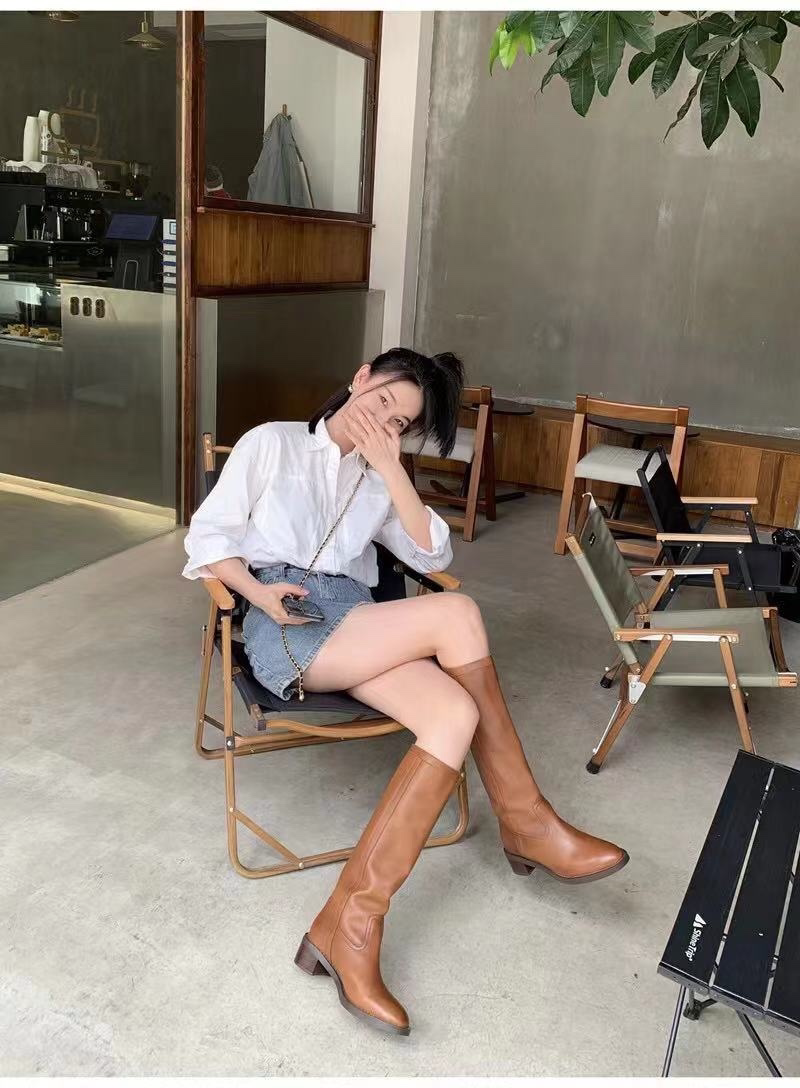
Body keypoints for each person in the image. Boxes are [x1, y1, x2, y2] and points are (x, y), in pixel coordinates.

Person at [182, 348, 628, 1037]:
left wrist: (391, 470)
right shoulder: (271, 444)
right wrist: (257, 595)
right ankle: (528, 823)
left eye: (401, 423)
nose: (384, 420)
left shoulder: (377, 474)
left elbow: (432, 553)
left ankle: (347, 926)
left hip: (358, 619)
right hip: (286, 618)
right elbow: (207, 538)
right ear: (361, 377)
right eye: (384, 400)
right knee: (459, 614)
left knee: (453, 713)